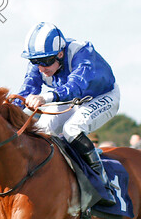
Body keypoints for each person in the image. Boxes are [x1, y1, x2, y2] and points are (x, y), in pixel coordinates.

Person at [16, 22, 119, 206]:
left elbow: (76, 86)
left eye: (46, 61)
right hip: (71, 100)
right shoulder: (40, 62)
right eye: (35, 62)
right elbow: (26, 91)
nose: (41, 67)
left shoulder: (82, 52)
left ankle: (102, 184)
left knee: (72, 128)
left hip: (102, 96)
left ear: (60, 54)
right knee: (41, 129)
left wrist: (45, 97)